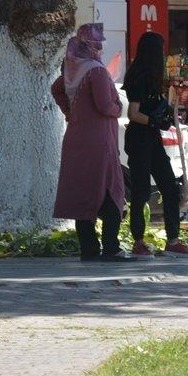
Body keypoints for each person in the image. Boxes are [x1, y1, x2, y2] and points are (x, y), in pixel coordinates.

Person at [51, 24, 131, 262]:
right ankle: (111, 246)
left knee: (83, 193)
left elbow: (56, 90)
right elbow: (105, 105)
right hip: (99, 141)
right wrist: (118, 108)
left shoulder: (71, 68)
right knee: (111, 190)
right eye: (98, 43)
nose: (100, 47)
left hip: (76, 139)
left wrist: (70, 113)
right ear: (91, 45)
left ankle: (89, 248)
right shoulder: (96, 71)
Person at [123, 32, 188, 257]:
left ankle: (172, 240)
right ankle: (138, 242)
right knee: (141, 191)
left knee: (170, 187)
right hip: (140, 138)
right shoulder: (138, 77)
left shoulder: (153, 78)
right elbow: (133, 113)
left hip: (151, 137)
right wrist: (153, 120)